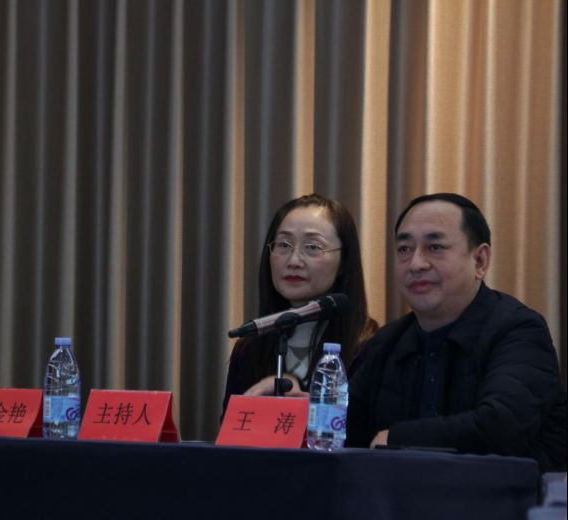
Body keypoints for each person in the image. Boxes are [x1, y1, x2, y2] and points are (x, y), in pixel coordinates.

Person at [346, 193, 566, 472]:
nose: (416, 263)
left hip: (501, 495)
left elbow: (501, 425)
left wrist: (399, 438)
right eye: (404, 249)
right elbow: (344, 428)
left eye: (435, 247)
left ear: (480, 261)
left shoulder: (518, 330)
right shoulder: (388, 341)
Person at [222, 194, 378, 416]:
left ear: (344, 261)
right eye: (284, 245)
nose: (294, 260)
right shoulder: (249, 348)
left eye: (312, 247)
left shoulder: (370, 346)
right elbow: (230, 431)